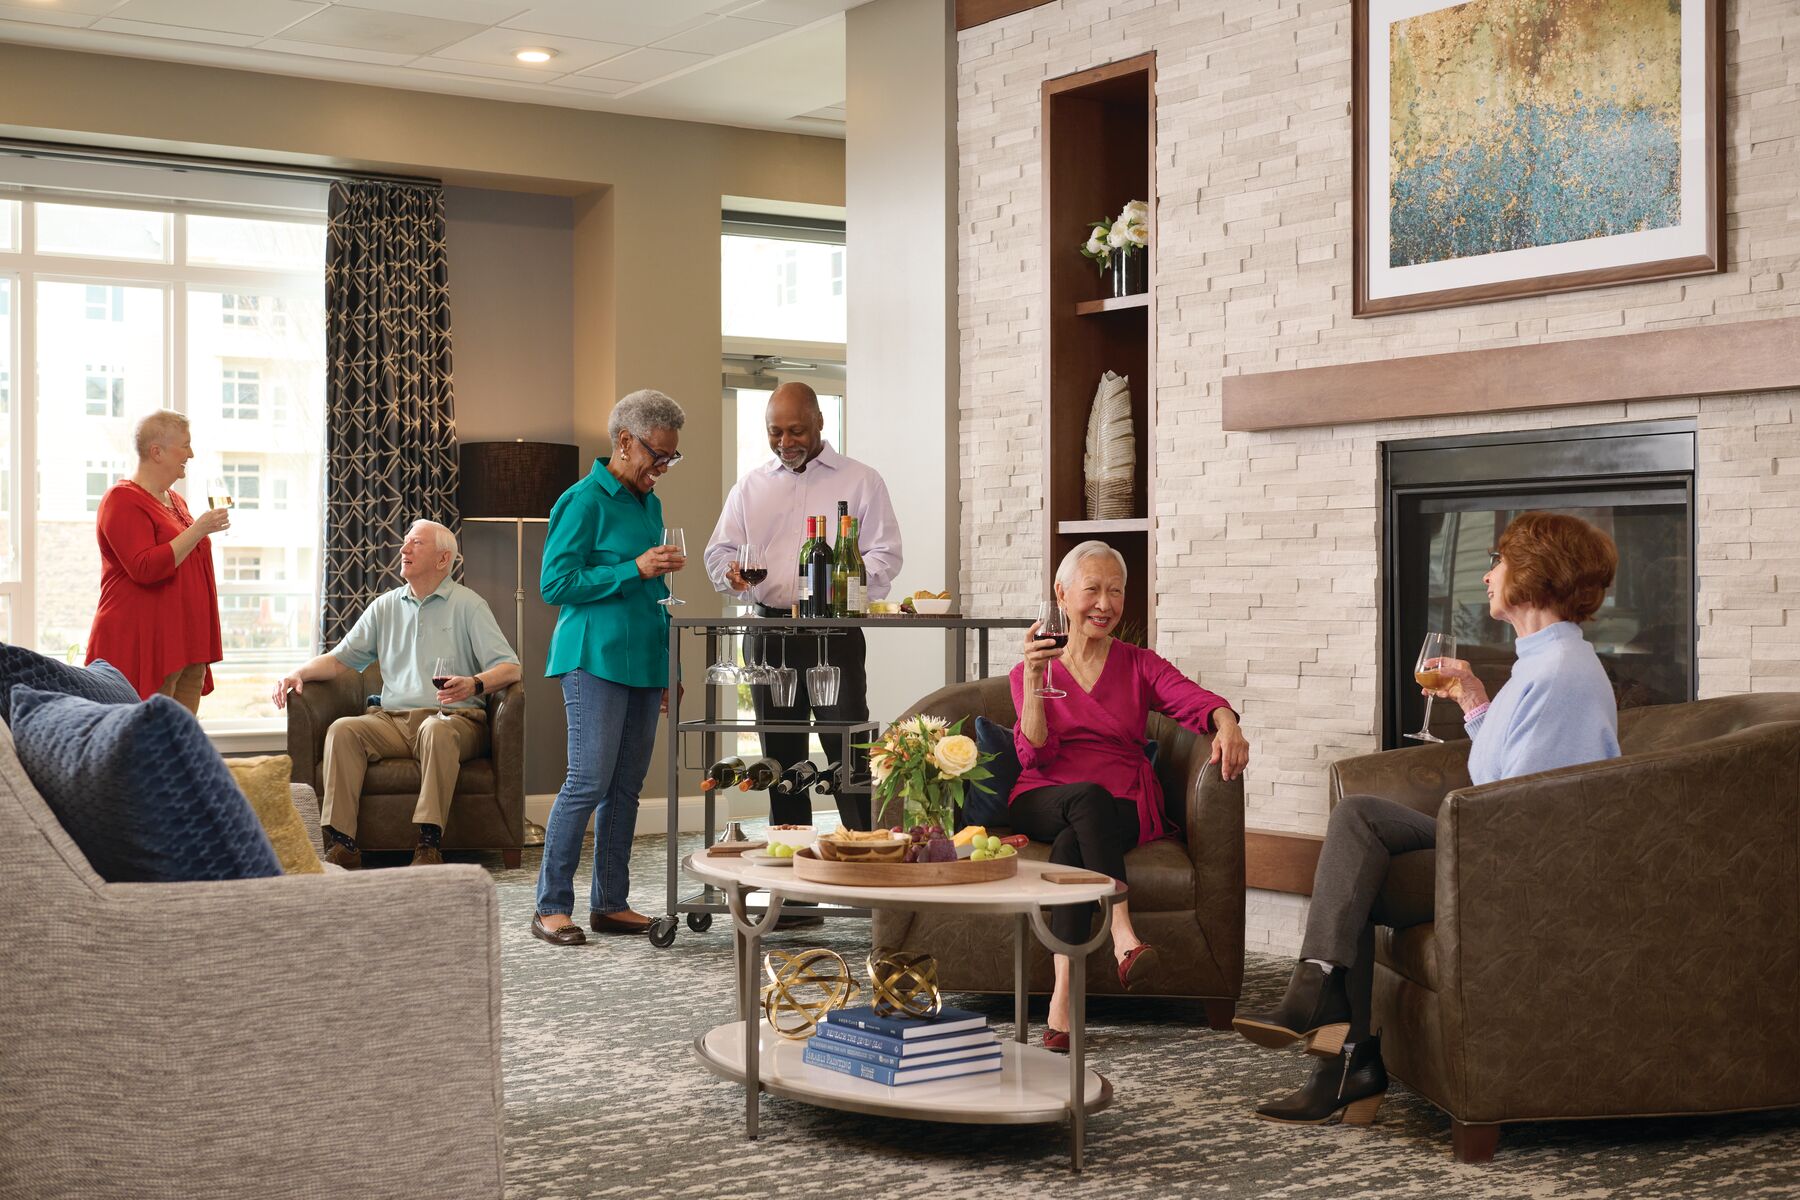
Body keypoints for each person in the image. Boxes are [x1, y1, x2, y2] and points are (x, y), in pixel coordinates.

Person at [1234, 511, 1620, 1125]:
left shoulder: (1561, 674)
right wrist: (1474, 701)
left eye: (1498, 561)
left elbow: (1524, 806)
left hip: (1510, 860)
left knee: (1359, 852)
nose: (1488, 574)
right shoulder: (1543, 663)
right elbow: (1510, 766)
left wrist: (1458, 807)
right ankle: (1332, 1028)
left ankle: (1337, 1042)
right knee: (1357, 839)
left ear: (1534, 574)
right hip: (1491, 837)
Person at [1011, 540, 1249, 1052]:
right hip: (1044, 795)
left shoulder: (1140, 664)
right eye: (1092, 589)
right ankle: (1123, 932)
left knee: (1073, 849)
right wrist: (1034, 680)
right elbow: (1033, 753)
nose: (1105, 603)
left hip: (1119, 806)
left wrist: (1227, 722)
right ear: (1061, 593)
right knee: (1083, 802)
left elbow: (1194, 700)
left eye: (1115, 592)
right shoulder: (1031, 668)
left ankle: (1061, 1004)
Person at [703, 381, 902, 828]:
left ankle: (862, 854)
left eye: (795, 431)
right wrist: (729, 573)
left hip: (833, 634)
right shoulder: (749, 487)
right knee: (778, 758)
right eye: (775, 432)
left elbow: (884, 556)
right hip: (768, 634)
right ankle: (793, 877)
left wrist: (839, 588)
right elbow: (718, 552)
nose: (785, 442)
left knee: (848, 748)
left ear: (819, 423)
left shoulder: (862, 480)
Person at [531, 389, 687, 948]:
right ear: (624, 441)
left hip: (643, 660)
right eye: (658, 455)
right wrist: (633, 567)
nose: (663, 468)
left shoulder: (650, 505)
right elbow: (556, 585)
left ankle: (610, 904)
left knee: (625, 787)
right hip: (591, 658)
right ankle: (551, 905)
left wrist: (668, 665)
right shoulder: (582, 501)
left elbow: (656, 592)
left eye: (672, 457)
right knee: (587, 780)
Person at [272, 520, 521, 869]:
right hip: (392, 720)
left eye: (415, 543)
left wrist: (474, 683)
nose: (403, 550)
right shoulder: (385, 606)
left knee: (437, 730)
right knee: (343, 730)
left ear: (442, 558)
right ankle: (343, 844)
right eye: (405, 543)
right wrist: (297, 672)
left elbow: (511, 668)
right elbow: (340, 659)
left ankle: (428, 844)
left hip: (455, 719)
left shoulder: (469, 605)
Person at [87, 411, 230, 712]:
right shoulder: (121, 500)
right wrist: (199, 529)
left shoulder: (177, 501)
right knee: (149, 739)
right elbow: (145, 567)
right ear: (157, 452)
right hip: (145, 640)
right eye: (185, 445)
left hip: (187, 640)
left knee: (180, 737)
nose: (191, 454)